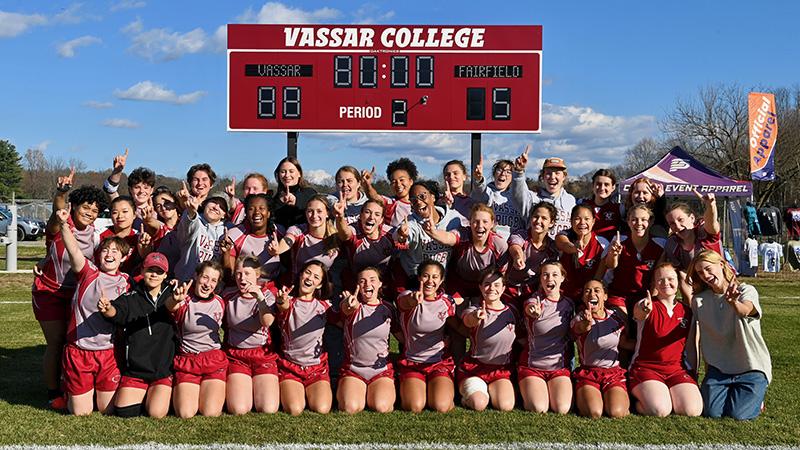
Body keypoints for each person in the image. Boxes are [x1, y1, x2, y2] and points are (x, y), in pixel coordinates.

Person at [32, 170, 104, 409]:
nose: (90, 213)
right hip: (49, 292)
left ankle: (70, 387)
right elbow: (57, 212)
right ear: (74, 206)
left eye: (94, 210)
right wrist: (62, 192)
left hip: (76, 297)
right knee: (56, 341)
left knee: (73, 343)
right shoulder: (62, 223)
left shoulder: (95, 235)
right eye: (86, 207)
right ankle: (53, 392)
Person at [56, 206, 130, 416]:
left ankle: (92, 388)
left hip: (108, 354)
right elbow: (74, 250)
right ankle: (68, 391)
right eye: (106, 250)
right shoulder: (89, 273)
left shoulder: (127, 283)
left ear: (123, 258)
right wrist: (63, 224)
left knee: (108, 409)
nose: (109, 254)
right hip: (80, 351)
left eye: (115, 251)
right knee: (82, 412)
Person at [686, 250, 772, 420]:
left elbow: (745, 310)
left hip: (750, 367)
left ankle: (757, 399)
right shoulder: (699, 301)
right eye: (700, 272)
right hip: (720, 370)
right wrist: (693, 371)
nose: (705, 275)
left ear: (722, 265)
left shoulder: (746, 290)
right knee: (712, 413)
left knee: (737, 415)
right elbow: (694, 339)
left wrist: (733, 302)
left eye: (708, 269)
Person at [97, 252, 175, 418]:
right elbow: (117, 312)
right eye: (150, 270)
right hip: (137, 371)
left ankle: (161, 393)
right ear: (142, 270)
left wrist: (175, 299)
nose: (154, 274)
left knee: (156, 413)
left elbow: (173, 306)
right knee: (125, 411)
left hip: (162, 370)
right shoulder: (131, 296)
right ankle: (148, 394)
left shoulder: (172, 294)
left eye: (159, 271)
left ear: (165, 275)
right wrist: (107, 309)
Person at [628, 263, 702, 417]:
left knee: (692, 410)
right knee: (660, 410)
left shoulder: (687, 311)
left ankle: (667, 393)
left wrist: (693, 373)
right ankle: (635, 400)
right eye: (660, 280)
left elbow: (691, 346)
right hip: (646, 368)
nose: (665, 283)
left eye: (670, 279)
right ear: (654, 283)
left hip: (676, 369)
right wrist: (643, 309)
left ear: (678, 282)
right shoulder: (648, 304)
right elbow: (639, 312)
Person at [396, 261, 462, 413]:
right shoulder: (407, 296)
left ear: (441, 280)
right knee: (415, 406)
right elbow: (404, 303)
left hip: (438, 361)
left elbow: (456, 326)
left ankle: (440, 387)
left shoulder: (447, 301)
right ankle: (410, 386)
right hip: (412, 362)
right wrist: (413, 300)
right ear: (419, 277)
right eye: (425, 276)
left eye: (435, 277)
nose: (430, 281)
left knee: (441, 406)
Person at [167, 261, 227, 418]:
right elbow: (169, 307)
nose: (208, 284)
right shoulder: (183, 299)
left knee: (210, 412)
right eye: (205, 277)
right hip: (188, 361)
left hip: (212, 360)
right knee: (185, 413)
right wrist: (175, 298)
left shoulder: (220, 302)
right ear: (196, 276)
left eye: (213, 280)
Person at [275, 261, 334, 416]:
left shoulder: (324, 307)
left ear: (320, 285)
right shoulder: (290, 302)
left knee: (322, 408)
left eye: (316, 277)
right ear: (300, 275)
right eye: (307, 272)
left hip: (316, 368)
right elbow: (283, 306)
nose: (310, 278)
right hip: (290, 367)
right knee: (295, 409)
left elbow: (345, 317)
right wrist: (281, 301)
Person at [222, 257, 279, 415]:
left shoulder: (267, 294)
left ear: (257, 275)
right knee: (239, 409)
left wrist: (259, 298)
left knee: (268, 408)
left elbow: (267, 322)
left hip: (262, 354)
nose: (242, 278)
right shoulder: (228, 295)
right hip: (236, 354)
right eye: (239, 274)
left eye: (247, 273)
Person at [336, 267, 396, 414]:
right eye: (362, 281)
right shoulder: (353, 305)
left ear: (380, 284)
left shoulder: (387, 308)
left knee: (381, 407)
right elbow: (347, 308)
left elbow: (402, 335)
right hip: (354, 370)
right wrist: (348, 304)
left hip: (380, 370)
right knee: (351, 408)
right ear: (357, 286)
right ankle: (353, 390)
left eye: (372, 280)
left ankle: (380, 391)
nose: (367, 284)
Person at [458, 270, 517, 412]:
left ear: (503, 288)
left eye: (497, 285)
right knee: (479, 404)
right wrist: (476, 317)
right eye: (487, 284)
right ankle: (469, 395)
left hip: (500, 370)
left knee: (505, 406)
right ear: (480, 287)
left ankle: (490, 390)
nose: (492, 288)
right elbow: (468, 320)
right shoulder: (474, 309)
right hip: (475, 369)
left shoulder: (513, 312)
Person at [519, 262, 574, 414]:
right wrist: (533, 312)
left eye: (555, 275)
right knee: (539, 408)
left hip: (558, 368)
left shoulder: (569, 305)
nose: (550, 278)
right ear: (541, 279)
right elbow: (529, 307)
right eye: (545, 275)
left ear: (562, 278)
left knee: (562, 409)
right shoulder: (534, 300)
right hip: (533, 366)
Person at [571, 280, 629, 419]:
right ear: (583, 297)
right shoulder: (579, 318)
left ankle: (618, 397)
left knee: (616, 413)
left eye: (597, 290)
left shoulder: (616, 318)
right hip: (589, 372)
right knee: (594, 412)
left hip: (613, 373)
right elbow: (580, 328)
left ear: (605, 296)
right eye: (587, 291)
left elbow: (624, 342)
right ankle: (583, 396)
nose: (592, 294)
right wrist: (586, 324)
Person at [393, 181, 463, 292]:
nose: (418, 202)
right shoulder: (412, 222)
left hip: (443, 279)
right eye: (413, 200)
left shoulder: (453, 218)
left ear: (433, 197)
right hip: (416, 279)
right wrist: (402, 235)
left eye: (422, 196)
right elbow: (401, 234)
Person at [604, 205, 666, 315]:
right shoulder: (620, 241)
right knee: (622, 324)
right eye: (634, 220)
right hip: (619, 295)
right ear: (628, 222)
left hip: (644, 295)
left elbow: (657, 279)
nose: (639, 223)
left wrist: (650, 300)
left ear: (651, 222)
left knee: (644, 322)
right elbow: (610, 266)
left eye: (643, 220)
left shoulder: (660, 245)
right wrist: (613, 254)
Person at [664, 190, 721, 301]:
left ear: (692, 218)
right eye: (672, 223)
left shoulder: (703, 232)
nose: (677, 225)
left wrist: (711, 205)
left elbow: (712, 224)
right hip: (698, 290)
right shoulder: (672, 244)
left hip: (722, 285)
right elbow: (683, 277)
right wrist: (693, 308)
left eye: (681, 220)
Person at [268, 194, 339, 280]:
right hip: (296, 284)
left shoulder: (335, 236)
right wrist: (278, 249)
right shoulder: (298, 230)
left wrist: (341, 216)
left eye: (319, 211)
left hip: (322, 288)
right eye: (310, 211)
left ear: (327, 213)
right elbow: (288, 240)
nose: (314, 215)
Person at [511, 147, 576, 238]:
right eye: (548, 173)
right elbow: (518, 193)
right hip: (537, 250)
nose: (552, 177)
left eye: (557, 173)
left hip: (562, 250)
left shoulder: (570, 200)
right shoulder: (533, 198)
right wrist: (519, 171)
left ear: (564, 177)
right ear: (543, 176)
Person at [505, 202, 560, 306]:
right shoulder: (521, 234)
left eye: (544, 218)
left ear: (551, 223)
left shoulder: (552, 247)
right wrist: (518, 257)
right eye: (536, 217)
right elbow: (515, 246)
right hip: (510, 288)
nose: (538, 221)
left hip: (533, 291)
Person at [334, 199, 394, 290]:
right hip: (356, 281)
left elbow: (401, 236)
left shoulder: (389, 233)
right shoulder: (355, 230)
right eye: (367, 212)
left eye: (377, 214)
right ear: (361, 215)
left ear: (381, 220)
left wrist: (402, 234)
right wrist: (340, 217)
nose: (371, 217)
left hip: (382, 283)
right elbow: (345, 233)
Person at [556, 204, 610, 302]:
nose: (582, 223)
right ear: (571, 221)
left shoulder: (602, 244)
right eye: (577, 219)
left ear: (593, 221)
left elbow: (597, 279)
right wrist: (574, 248)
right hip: (563, 296)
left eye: (587, 219)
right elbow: (563, 244)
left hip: (589, 297)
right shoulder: (564, 237)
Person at [174, 184, 228, 281]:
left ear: (224, 215)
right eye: (214, 202)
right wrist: (191, 212)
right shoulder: (194, 218)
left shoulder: (227, 230)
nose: (216, 207)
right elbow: (188, 227)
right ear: (205, 204)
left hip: (209, 286)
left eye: (222, 207)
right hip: (185, 280)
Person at [224, 193, 283, 282]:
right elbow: (229, 276)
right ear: (246, 213)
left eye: (261, 208)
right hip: (242, 286)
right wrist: (226, 253)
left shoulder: (279, 233)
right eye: (251, 209)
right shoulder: (234, 234)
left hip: (271, 287)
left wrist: (278, 251)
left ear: (268, 213)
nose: (256, 212)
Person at [471, 155, 524, 240]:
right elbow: (480, 193)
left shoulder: (518, 195)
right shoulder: (487, 192)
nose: (503, 174)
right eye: (499, 170)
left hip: (515, 241)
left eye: (508, 172)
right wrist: (479, 180)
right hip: (491, 240)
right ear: (494, 174)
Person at [362, 158, 417, 227]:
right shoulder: (390, 203)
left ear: (411, 181)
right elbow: (374, 197)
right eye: (394, 182)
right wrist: (368, 185)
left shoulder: (421, 204)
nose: (398, 185)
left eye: (401, 180)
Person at [271, 157, 318, 228]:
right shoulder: (274, 199)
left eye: (291, 171)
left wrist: (296, 201)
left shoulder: (309, 193)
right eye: (283, 172)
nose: (287, 175)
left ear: (299, 173)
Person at [580, 169, 624, 241]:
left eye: (606, 184)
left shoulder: (619, 208)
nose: (602, 188)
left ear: (613, 188)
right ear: (593, 186)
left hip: (608, 250)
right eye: (598, 184)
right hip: (587, 249)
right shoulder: (582, 205)